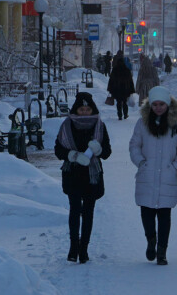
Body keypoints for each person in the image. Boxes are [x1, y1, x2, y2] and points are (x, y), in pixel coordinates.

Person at [129, 86, 177, 265]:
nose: (158, 107)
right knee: (146, 212)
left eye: (161, 104)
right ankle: (151, 241)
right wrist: (141, 162)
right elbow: (134, 146)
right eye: (154, 104)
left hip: (167, 176)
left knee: (164, 215)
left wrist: (175, 167)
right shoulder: (142, 123)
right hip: (146, 175)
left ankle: (162, 251)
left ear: (168, 104)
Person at [53, 92, 112, 264]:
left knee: (88, 213)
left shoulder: (99, 126)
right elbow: (58, 150)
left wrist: (99, 150)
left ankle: (84, 248)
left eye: (87, 109)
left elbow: (107, 152)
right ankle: (73, 247)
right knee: (74, 211)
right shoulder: (67, 126)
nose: (85, 112)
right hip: (73, 174)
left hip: (92, 176)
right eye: (81, 109)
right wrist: (71, 155)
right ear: (76, 110)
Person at [108, 52, 136, 120]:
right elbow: (130, 81)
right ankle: (125, 114)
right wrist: (131, 89)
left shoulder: (114, 70)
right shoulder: (127, 70)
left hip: (116, 89)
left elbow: (111, 80)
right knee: (124, 102)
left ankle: (119, 115)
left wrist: (110, 89)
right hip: (125, 89)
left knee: (118, 102)